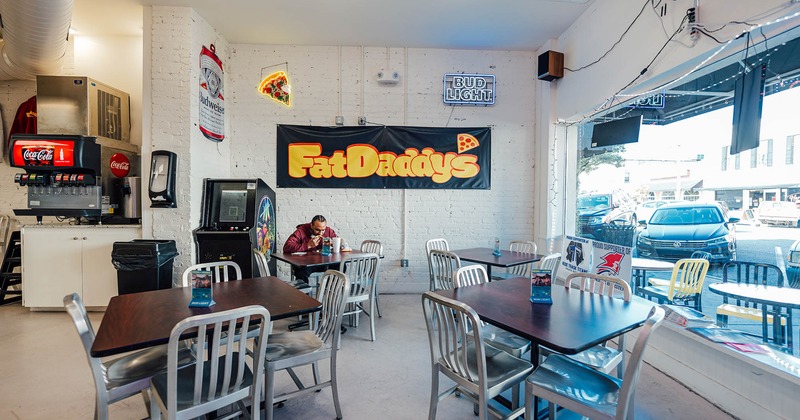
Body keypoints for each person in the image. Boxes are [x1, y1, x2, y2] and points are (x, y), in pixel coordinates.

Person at [283, 215, 339, 281]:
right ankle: (303, 291)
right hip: (306, 264)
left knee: (340, 266)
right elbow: (287, 247)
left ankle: (329, 290)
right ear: (311, 225)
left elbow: (341, 244)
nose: (320, 233)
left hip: (323, 263)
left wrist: (333, 244)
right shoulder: (301, 231)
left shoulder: (329, 231)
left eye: (323, 230)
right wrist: (308, 245)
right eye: (317, 230)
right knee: (301, 272)